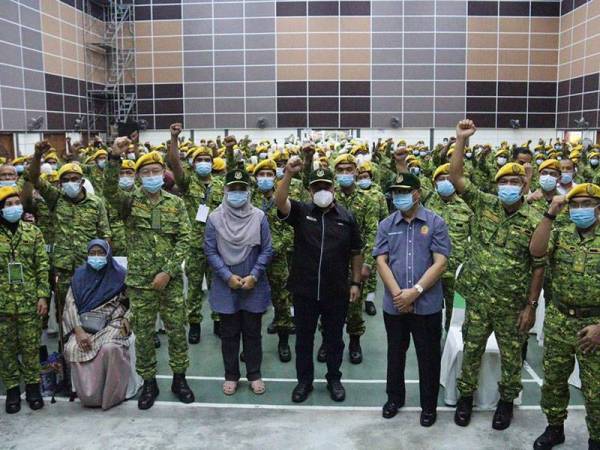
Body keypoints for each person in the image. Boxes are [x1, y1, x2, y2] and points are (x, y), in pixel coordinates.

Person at [449, 120, 546, 430]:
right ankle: (465, 397)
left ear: (523, 188)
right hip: (477, 298)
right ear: (497, 185)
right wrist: (461, 140)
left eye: (515, 183)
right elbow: (455, 176)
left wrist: (531, 306)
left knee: (511, 356)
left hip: (511, 303)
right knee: (471, 349)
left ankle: (506, 403)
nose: (508, 187)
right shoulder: (484, 203)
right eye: (504, 182)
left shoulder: (534, 220)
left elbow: (539, 266)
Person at [104, 138, 194, 410]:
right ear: (139, 176)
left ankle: (180, 379)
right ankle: (149, 383)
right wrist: (114, 158)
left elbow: (185, 238)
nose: (152, 176)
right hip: (141, 283)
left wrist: (168, 271)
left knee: (177, 331)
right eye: (146, 172)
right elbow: (109, 190)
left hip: (171, 283)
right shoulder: (129, 202)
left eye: (156, 171)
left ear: (163, 173)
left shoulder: (174, 203)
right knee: (143, 336)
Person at [275, 157, 363, 403]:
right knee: (304, 340)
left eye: (326, 186)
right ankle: (304, 382)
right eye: (316, 187)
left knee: (334, 339)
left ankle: (334, 379)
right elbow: (280, 202)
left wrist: (355, 283)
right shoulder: (302, 212)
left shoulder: (347, 218)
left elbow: (356, 252)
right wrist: (288, 175)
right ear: (309, 190)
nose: (322, 191)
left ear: (333, 189)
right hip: (304, 290)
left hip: (336, 291)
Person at [373, 172, 450, 426]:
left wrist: (414, 292)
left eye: (403, 192)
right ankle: (394, 398)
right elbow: (381, 261)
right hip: (395, 305)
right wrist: (398, 295)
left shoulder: (435, 222)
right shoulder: (386, 225)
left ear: (417, 193)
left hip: (426, 305)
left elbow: (440, 263)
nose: (399, 197)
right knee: (396, 353)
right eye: (395, 193)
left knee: (428, 356)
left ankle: (428, 405)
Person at [530, 184, 600, 450]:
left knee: (595, 389)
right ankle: (554, 428)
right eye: (575, 204)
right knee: (554, 381)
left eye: (587, 204)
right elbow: (536, 251)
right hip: (559, 319)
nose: (580, 209)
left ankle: (596, 438)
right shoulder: (559, 233)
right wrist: (550, 214)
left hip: (594, 326)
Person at [205, 168, 273, 395]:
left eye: (241, 189)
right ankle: (231, 375)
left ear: (248, 191)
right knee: (229, 334)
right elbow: (211, 250)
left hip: (254, 284)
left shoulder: (259, 217)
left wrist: (254, 275)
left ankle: (254, 374)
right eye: (232, 189)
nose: (237, 193)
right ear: (224, 191)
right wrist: (227, 276)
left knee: (253, 332)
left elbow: (266, 249)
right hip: (226, 285)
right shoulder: (214, 218)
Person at [29, 141, 111, 321]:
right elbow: (34, 178)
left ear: (82, 181)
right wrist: (37, 156)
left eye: (74, 179)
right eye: (65, 180)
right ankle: (64, 348)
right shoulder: (56, 198)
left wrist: (103, 264)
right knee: (64, 314)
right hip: (63, 269)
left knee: (89, 310)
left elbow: (105, 235)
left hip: (88, 267)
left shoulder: (95, 203)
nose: (70, 183)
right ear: (60, 183)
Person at [167, 124, 224, 343]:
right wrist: (174, 138)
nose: (203, 163)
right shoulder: (188, 183)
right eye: (198, 160)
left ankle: (218, 320)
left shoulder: (220, 185)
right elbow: (173, 162)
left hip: (217, 245)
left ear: (212, 163)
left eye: (207, 160)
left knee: (217, 286)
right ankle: (194, 323)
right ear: (193, 163)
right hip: (193, 245)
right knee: (193, 289)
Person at [62, 239, 132, 410]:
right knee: (73, 347)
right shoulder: (79, 276)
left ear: (108, 255)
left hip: (112, 322)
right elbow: (69, 305)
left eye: (100, 253)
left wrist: (127, 318)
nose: (96, 257)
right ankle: (89, 396)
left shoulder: (120, 275)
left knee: (110, 349)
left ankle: (111, 396)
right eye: (92, 253)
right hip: (84, 325)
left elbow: (134, 302)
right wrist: (78, 331)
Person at [0, 186, 49, 413]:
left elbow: (42, 266)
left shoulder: (33, 232)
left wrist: (42, 296)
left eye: (16, 203)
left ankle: (33, 387)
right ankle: (11, 389)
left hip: (29, 300)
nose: (14, 208)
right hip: (2, 303)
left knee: (30, 347)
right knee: (6, 349)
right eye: (9, 205)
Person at [252, 159, 293, 362]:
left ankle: (283, 341)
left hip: (277, 258)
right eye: (262, 175)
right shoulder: (249, 199)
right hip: (253, 258)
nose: (265, 178)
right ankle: (253, 344)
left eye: (269, 175)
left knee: (282, 299)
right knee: (252, 300)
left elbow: (291, 229)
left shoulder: (283, 200)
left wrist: (275, 248)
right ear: (255, 178)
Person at [424, 163, 473, 331]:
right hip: (429, 270)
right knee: (429, 313)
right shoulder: (426, 202)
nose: (445, 182)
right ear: (434, 182)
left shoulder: (467, 207)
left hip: (457, 272)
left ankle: (449, 342)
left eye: (449, 179)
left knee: (457, 315)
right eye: (441, 179)